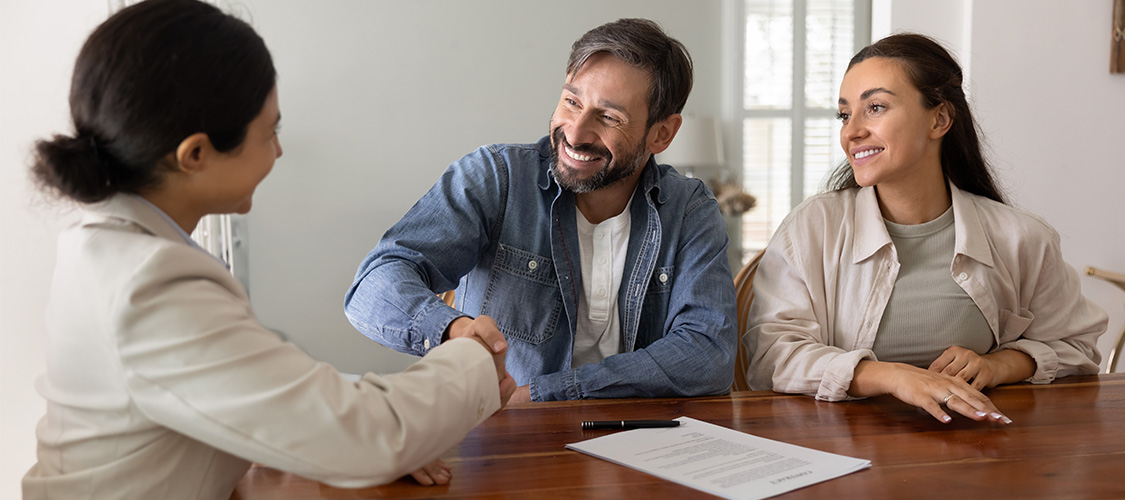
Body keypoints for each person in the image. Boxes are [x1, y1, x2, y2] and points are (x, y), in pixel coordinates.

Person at [22, 1, 515, 498]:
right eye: (270, 131)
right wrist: (473, 357)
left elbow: (259, 384)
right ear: (195, 154)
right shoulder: (149, 283)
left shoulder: (106, 245)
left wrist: (395, 432)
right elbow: (368, 436)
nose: (279, 151)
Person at [345, 18, 737, 403]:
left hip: (638, 444)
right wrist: (452, 330)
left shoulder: (689, 209)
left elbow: (707, 354)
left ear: (661, 134)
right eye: (571, 101)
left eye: (609, 117)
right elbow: (373, 286)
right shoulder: (494, 177)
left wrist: (541, 394)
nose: (576, 132)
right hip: (499, 439)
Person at [746, 33, 1105, 424]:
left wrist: (999, 365)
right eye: (845, 115)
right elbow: (771, 355)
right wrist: (890, 376)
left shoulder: (1021, 237)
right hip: (842, 456)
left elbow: (1076, 346)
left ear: (940, 119)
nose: (851, 132)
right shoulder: (810, 229)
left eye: (876, 107)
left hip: (978, 454)